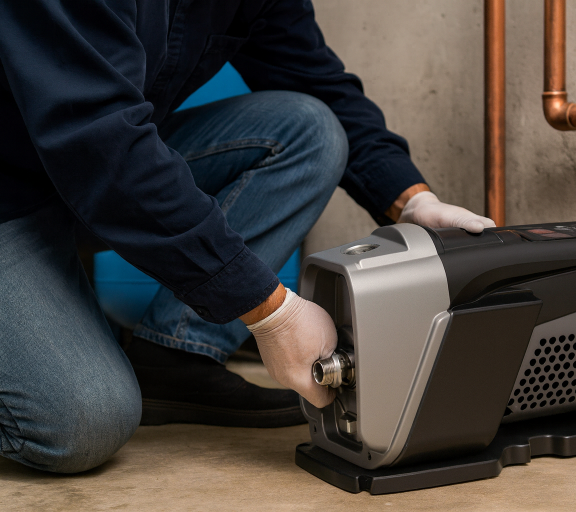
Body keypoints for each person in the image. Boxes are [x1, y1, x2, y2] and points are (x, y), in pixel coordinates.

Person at [0, 0, 495, 474]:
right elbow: (100, 146)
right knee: (83, 423)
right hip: (17, 195)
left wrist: (411, 201)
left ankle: (174, 361)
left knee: (309, 131)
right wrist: (270, 311)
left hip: (73, 173)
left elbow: (313, 78)